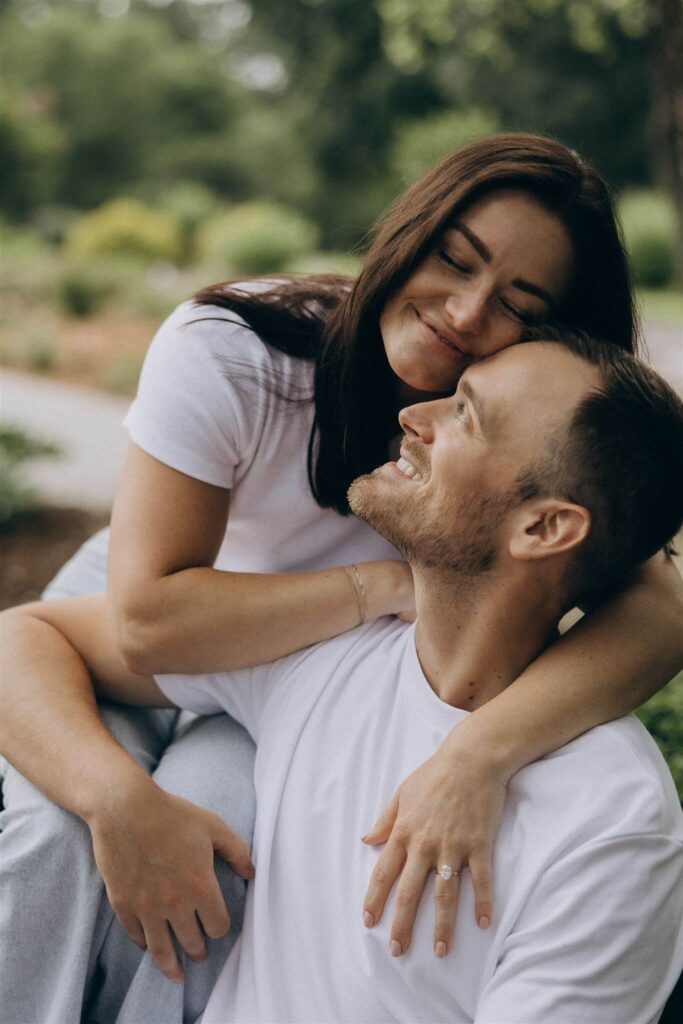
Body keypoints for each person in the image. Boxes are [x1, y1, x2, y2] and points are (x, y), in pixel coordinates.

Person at [1, 133, 683, 1023]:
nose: (467, 314)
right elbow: (139, 622)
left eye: (518, 302)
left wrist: (473, 756)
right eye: (454, 259)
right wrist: (115, 797)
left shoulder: (600, 815)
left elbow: (662, 607)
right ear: (411, 229)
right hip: (173, 607)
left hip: (299, 664)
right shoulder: (242, 350)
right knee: (53, 838)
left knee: (216, 839)